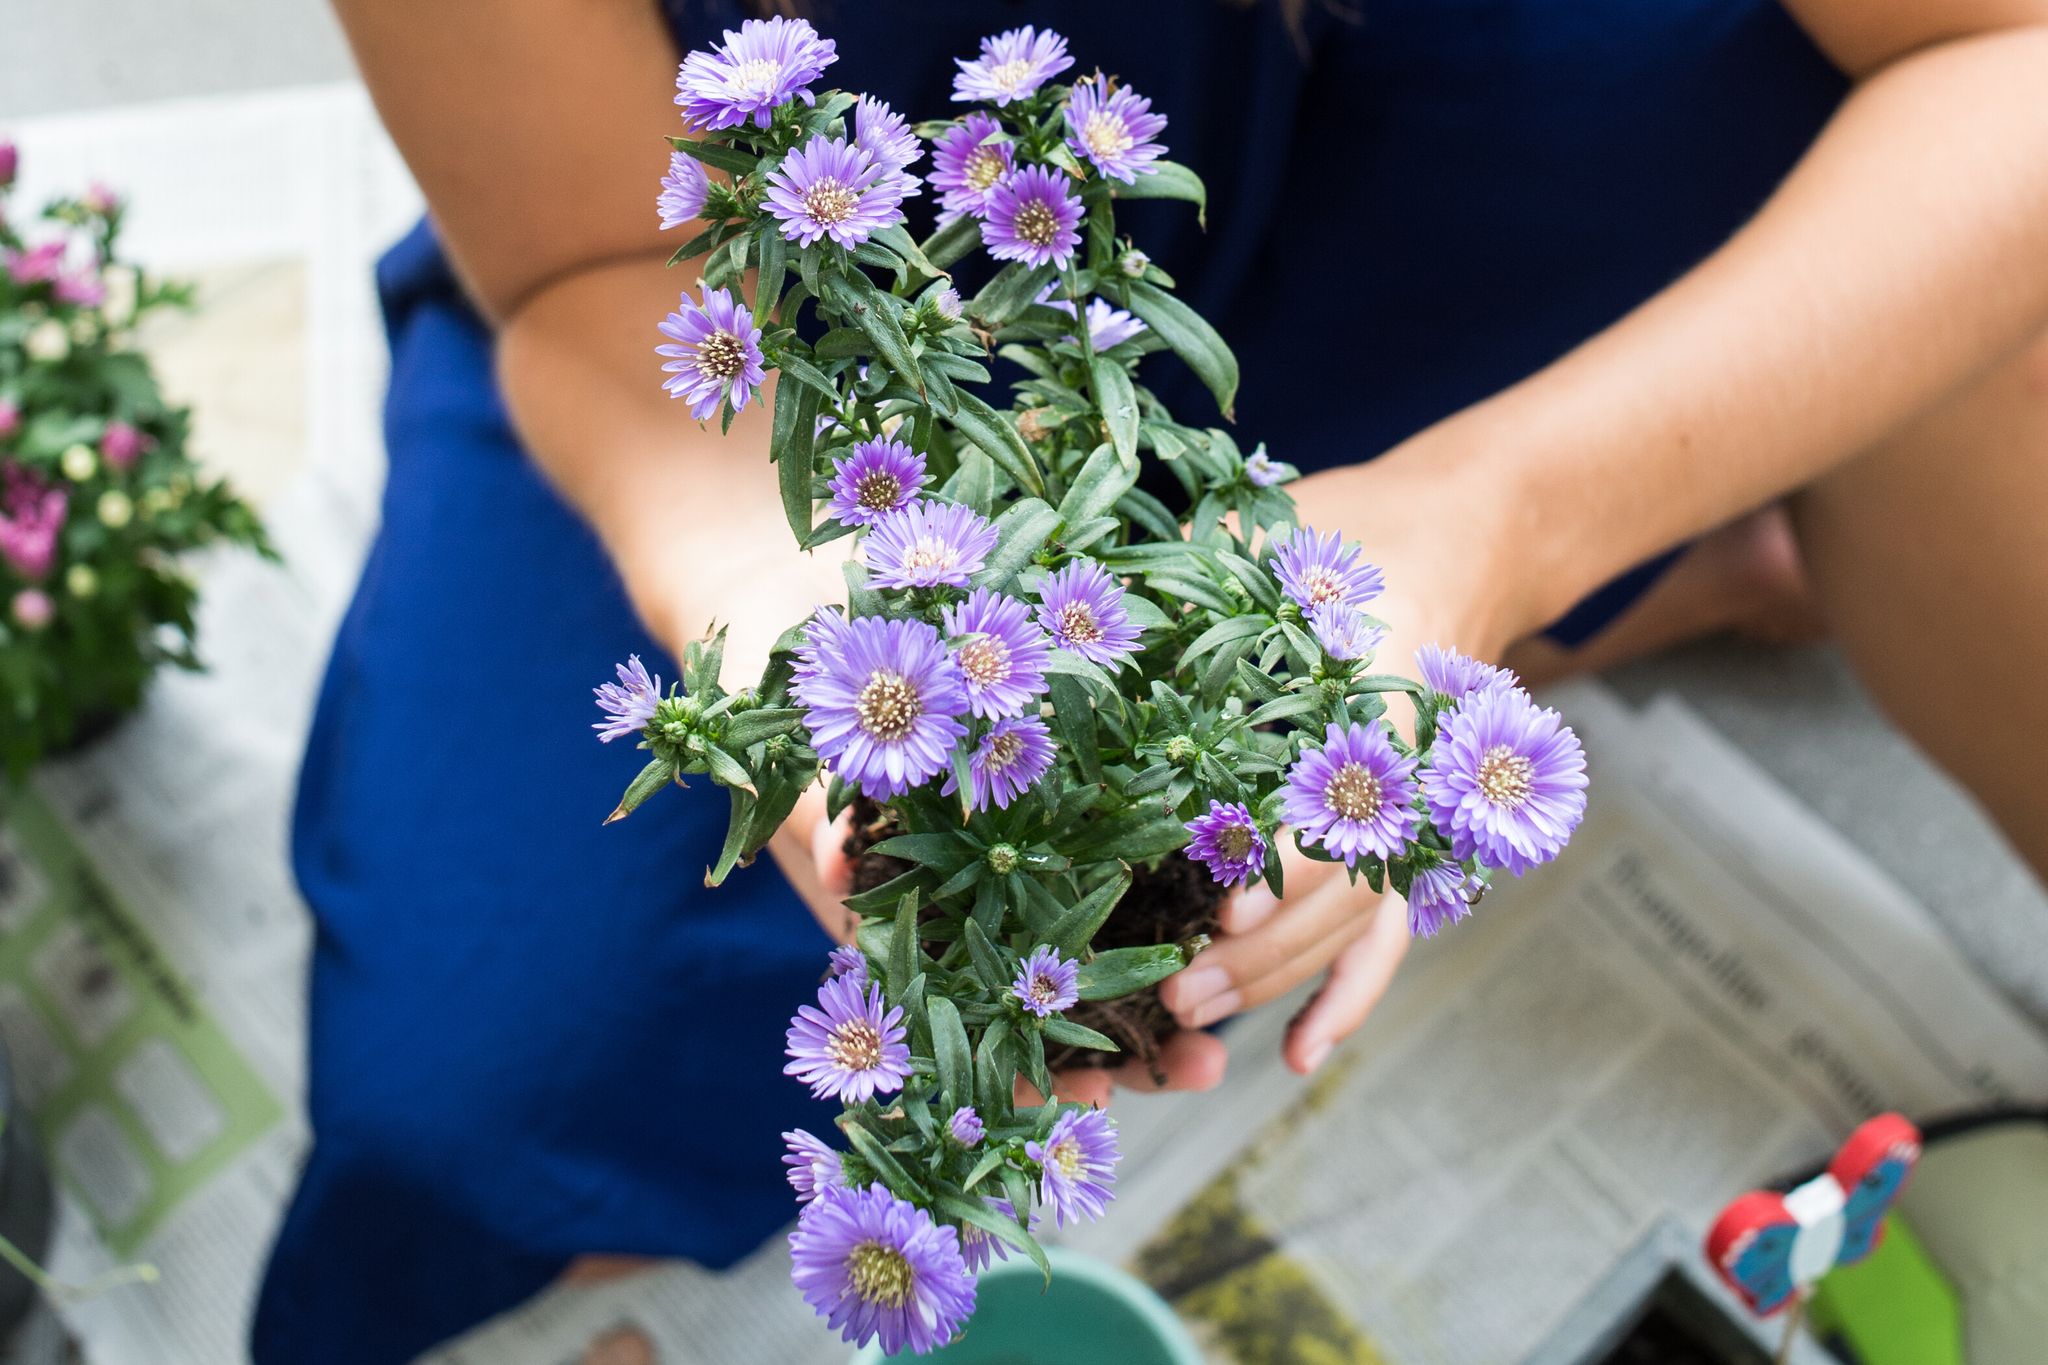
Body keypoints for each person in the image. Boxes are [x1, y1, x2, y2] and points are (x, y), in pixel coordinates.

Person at [256, 1, 2048, 1359]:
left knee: (1935, 293)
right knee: (482, 1102)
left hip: (1470, 135)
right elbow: (593, 258)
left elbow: (2006, 57)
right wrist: (781, 606)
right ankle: (1672, 570)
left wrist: (1490, 524)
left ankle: (1643, 526)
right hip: (837, 347)